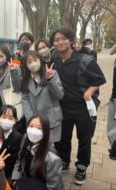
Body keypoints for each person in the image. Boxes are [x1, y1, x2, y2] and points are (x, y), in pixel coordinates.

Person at [49, 27, 106, 185]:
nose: (60, 42)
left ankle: (81, 167)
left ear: (70, 41)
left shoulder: (84, 60)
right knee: (63, 137)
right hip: (63, 106)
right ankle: (64, 161)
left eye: (63, 38)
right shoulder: (54, 59)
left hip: (83, 107)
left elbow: (100, 79)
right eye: (56, 39)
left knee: (84, 139)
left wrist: (90, 91)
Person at [11, 114, 64, 190]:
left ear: (45, 131)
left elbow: (53, 187)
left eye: (39, 128)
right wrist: (15, 179)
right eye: (31, 126)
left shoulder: (53, 160)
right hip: (24, 182)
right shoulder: (25, 139)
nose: (33, 131)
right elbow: (19, 160)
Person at [21, 51, 64, 143]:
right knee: (36, 147)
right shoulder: (26, 79)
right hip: (34, 122)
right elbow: (25, 100)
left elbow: (60, 95)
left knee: (49, 149)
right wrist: (31, 119)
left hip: (51, 120)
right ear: (26, 65)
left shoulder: (52, 73)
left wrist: (50, 79)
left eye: (35, 60)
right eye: (29, 62)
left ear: (40, 60)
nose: (33, 63)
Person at [0, 45, 22, 120]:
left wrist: (13, 71)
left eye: (1, 56)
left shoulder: (15, 66)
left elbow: (17, 87)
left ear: (7, 55)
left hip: (9, 106)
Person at [0, 105, 22, 184]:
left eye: (10, 118)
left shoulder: (17, 137)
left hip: (6, 173)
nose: (6, 120)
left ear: (16, 120)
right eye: (4, 117)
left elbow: (13, 161)